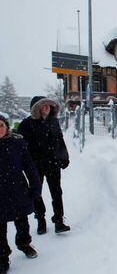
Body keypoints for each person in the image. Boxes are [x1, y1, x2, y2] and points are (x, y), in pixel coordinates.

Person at [18, 96, 71, 235]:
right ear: (36, 108)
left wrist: (64, 157)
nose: (47, 107)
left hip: (53, 163)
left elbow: (60, 140)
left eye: (49, 105)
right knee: (36, 193)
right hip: (35, 165)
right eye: (44, 105)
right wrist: (24, 163)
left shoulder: (54, 122)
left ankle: (59, 220)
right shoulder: (26, 124)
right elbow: (22, 147)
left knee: (56, 192)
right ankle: (40, 219)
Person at [0, 115, 41, 273]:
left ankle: (24, 243)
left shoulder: (17, 144)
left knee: (22, 220)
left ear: (7, 127)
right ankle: (2, 257)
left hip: (17, 190)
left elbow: (30, 168)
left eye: (1, 125)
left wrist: (35, 188)